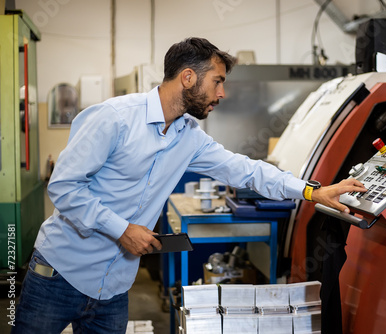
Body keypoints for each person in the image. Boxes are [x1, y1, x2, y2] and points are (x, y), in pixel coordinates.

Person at [13, 37, 366, 333]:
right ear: (187, 78)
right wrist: (121, 230)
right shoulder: (113, 118)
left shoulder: (188, 139)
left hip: (115, 289)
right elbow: (64, 187)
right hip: (58, 276)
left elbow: (246, 170)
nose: (222, 93)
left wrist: (312, 191)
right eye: (217, 81)